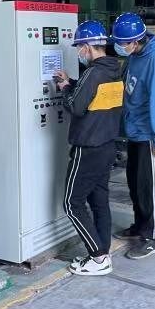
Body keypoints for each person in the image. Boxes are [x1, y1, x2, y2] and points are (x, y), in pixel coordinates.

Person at [54, 20, 124, 276]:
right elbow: (93, 96)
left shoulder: (93, 73)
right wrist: (72, 82)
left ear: (87, 46)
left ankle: (98, 258)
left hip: (88, 148)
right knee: (99, 201)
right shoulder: (113, 69)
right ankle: (103, 250)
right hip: (106, 145)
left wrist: (64, 88)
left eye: (79, 47)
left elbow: (76, 106)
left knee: (72, 203)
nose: (78, 52)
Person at [111, 12, 155, 260]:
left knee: (149, 186)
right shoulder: (135, 55)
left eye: (123, 43)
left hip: (149, 133)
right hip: (135, 130)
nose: (120, 47)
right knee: (136, 183)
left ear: (135, 41)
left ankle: (151, 237)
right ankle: (140, 225)